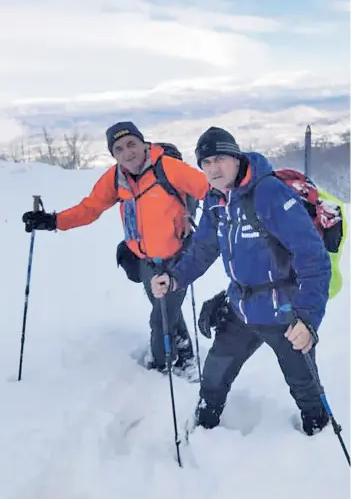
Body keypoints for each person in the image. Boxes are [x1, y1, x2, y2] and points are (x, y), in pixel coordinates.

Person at [151, 126, 332, 435]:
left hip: (284, 309)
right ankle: (204, 427)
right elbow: (205, 247)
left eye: (219, 158)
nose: (213, 169)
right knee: (215, 373)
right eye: (205, 163)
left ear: (236, 158)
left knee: (304, 383)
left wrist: (308, 318)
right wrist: (175, 277)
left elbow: (313, 256)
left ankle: (318, 432)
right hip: (242, 305)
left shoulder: (269, 193)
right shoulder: (215, 200)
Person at [22, 121, 209, 381]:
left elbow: (210, 191)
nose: (127, 152)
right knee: (165, 311)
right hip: (144, 260)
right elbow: (89, 209)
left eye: (131, 144)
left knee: (160, 318)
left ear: (144, 144)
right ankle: (186, 355)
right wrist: (52, 221)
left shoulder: (168, 167)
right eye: (119, 148)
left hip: (176, 258)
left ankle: (159, 365)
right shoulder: (115, 178)